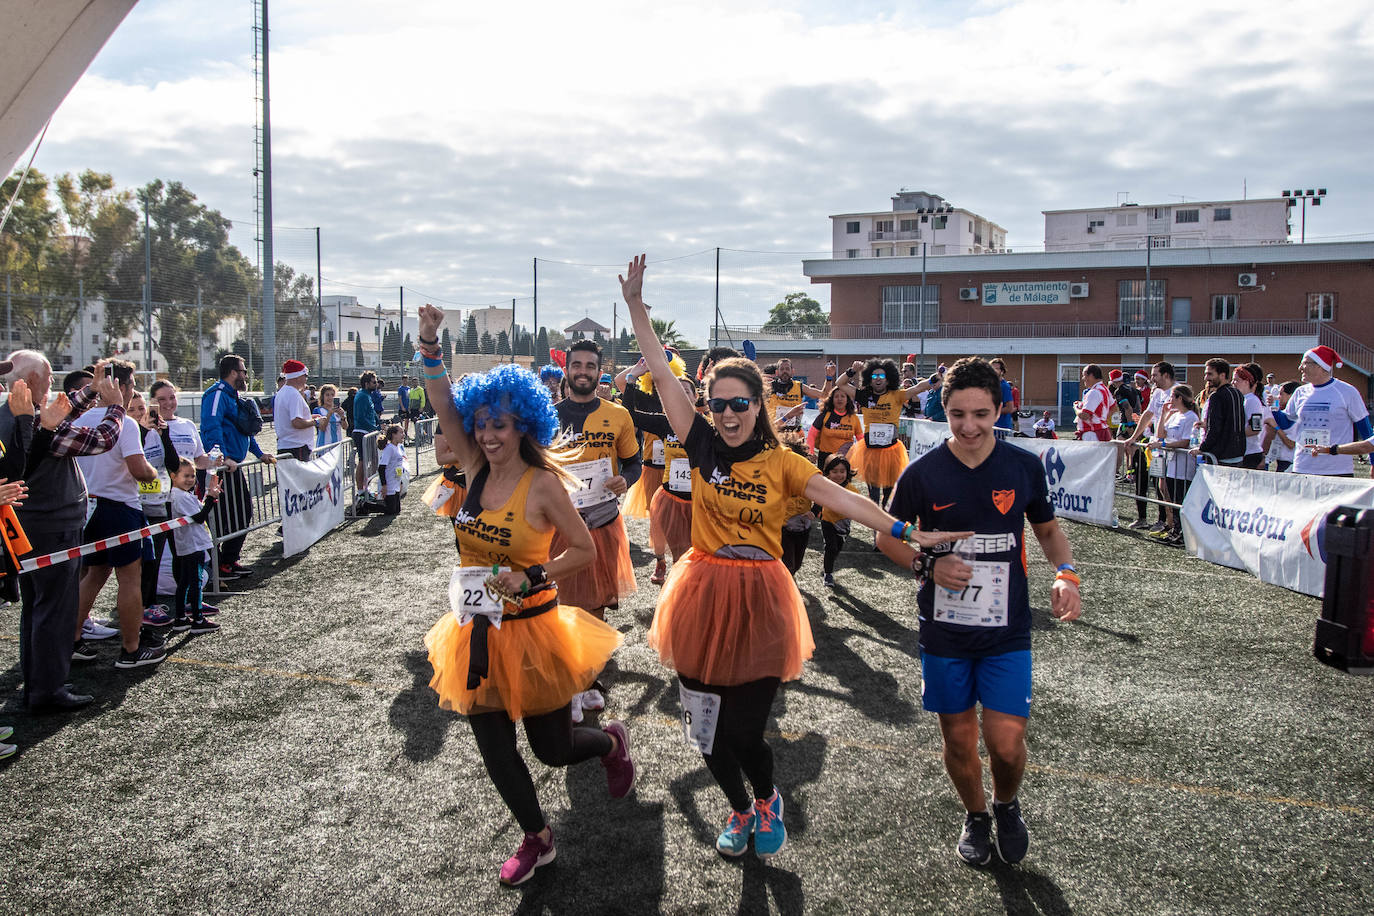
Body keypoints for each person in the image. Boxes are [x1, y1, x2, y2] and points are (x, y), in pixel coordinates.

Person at [621, 254, 964, 861]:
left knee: (744, 731)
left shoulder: (783, 463)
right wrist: (636, 310)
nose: (727, 414)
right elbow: (661, 374)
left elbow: (843, 499)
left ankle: (766, 796)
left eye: (739, 403)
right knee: (704, 731)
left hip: (758, 596)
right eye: (717, 403)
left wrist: (906, 529)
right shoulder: (700, 443)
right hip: (700, 592)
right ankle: (738, 808)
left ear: (759, 404)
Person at [415, 306, 635, 887]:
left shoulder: (542, 485)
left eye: (500, 425)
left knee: (552, 751)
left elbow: (584, 552)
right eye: (481, 423)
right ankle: (537, 837)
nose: (487, 435)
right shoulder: (470, 465)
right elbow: (441, 401)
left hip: (533, 627)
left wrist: (531, 577)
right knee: (492, 744)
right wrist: (430, 344)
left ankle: (610, 742)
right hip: (474, 627)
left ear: (523, 428)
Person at [878, 356, 1082, 867]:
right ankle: (975, 815)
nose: (969, 426)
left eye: (982, 414)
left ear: (1000, 411)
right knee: (960, 738)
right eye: (957, 415)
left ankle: (1006, 804)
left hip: (1007, 630)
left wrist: (1066, 573)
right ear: (942, 411)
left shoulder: (1023, 466)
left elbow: (1049, 531)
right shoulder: (922, 474)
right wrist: (927, 563)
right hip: (944, 632)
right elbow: (886, 537)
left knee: (1007, 743)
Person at [0, 352, 103, 712]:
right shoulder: (24, 420)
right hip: (51, 526)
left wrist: (90, 391)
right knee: (54, 611)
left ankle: (38, 684)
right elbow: (97, 438)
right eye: (47, 378)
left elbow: (57, 414)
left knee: (38, 608)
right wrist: (117, 408)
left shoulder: (16, 415)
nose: (52, 386)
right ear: (30, 384)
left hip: (30, 527)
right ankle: (47, 690)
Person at [72, 360, 170, 669]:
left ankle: (71, 639)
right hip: (119, 508)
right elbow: (140, 470)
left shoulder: (81, 417)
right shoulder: (124, 423)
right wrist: (155, 472)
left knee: (94, 575)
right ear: (123, 388)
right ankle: (131, 648)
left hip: (88, 507)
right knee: (129, 578)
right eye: (131, 386)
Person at [619, 358, 694, 585]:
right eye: (677, 391)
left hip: (701, 501)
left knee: (697, 553)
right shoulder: (664, 423)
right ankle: (674, 585)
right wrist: (632, 379)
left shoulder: (708, 426)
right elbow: (629, 414)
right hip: (671, 498)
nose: (681, 396)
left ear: (696, 397)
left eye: (687, 391)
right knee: (679, 554)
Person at [201, 354, 274, 582]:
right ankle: (219, 565)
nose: (246, 375)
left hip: (234, 466)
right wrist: (222, 459)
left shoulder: (234, 397)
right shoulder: (216, 395)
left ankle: (228, 560)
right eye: (243, 371)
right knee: (224, 518)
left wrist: (260, 454)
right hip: (223, 469)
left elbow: (244, 432)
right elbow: (211, 428)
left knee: (243, 513)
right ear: (233, 373)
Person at [1271, 346, 1371, 477]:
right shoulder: (1300, 392)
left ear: (1320, 366)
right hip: (1302, 467)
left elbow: (1366, 431)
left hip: (1337, 471)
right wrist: (1274, 408)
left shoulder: (1347, 392)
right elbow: (1287, 424)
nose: (1300, 367)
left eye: (1304, 363)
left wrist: (1373, 463)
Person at [1117, 362, 1176, 532]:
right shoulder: (1157, 393)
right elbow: (1148, 414)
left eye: (1155, 375)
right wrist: (1134, 437)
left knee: (1164, 487)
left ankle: (1167, 522)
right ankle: (1143, 518)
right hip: (1151, 445)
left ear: (1166, 375)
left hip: (1167, 447)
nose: (1152, 379)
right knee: (1145, 480)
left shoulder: (1177, 392)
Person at [168, 457, 221, 634]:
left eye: (192, 476)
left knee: (184, 583)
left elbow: (199, 511)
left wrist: (210, 496)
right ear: (173, 476)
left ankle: (181, 617)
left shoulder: (182, 495)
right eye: (186, 476)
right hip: (192, 545)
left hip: (189, 544)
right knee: (194, 583)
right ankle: (198, 619)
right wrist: (211, 499)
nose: (190, 479)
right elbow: (199, 517)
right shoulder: (179, 496)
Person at [1152, 385, 1200, 546]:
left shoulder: (1191, 417)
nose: (1169, 400)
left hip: (1183, 467)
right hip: (1171, 464)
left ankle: (1183, 534)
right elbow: (1160, 434)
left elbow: (1186, 441)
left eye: (1172, 397)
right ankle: (1175, 530)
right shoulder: (1174, 415)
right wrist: (1164, 414)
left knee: (1181, 500)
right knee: (1173, 499)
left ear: (1180, 398)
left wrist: (1163, 444)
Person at [814, 455, 859, 588]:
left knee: (836, 549)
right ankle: (828, 574)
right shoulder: (825, 486)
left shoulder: (852, 490)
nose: (838, 475)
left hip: (843, 524)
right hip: (827, 520)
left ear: (847, 472)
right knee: (831, 547)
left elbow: (859, 505)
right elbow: (818, 499)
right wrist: (813, 511)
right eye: (834, 471)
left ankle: (828, 562)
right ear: (828, 472)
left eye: (842, 471)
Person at [1193, 359, 1245, 468]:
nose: (1206, 378)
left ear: (1222, 375)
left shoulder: (1217, 396)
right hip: (1238, 453)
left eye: (1210, 374)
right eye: (1206, 374)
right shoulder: (1237, 393)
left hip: (1221, 457)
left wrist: (1202, 448)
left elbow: (1215, 428)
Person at [274, 359, 325, 461]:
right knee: (301, 477)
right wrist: (316, 422)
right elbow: (296, 422)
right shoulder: (293, 394)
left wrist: (309, 418)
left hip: (286, 446)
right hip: (297, 447)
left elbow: (290, 419)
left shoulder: (281, 392)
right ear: (297, 377)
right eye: (305, 376)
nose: (306, 379)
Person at [764, 358, 830, 433]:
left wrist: (829, 378)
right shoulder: (769, 386)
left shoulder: (799, 386)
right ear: (777, 372)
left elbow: (824, 395)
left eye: (787, 369)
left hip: (795, 432)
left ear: (792, 372)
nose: (784, 371)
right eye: (781, 369)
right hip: (776, 431)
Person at [807, 386, 863, 471]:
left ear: (847, 399)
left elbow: (861, 439)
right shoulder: (824, 415)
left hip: (845, 459)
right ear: (832, 400)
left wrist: (863, 455)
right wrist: (810, 452)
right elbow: (811, 434)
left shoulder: (854, 418)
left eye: (842, 396)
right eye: (836, 396)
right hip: (825, 458)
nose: (839, 399)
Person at [352, 371, 382, 503]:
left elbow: (371, 414)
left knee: (373, 461)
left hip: (368, 432)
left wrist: (379, 425)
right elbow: (360, 418)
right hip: (362, 433)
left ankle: (366, 488)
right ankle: (360, 491)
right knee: (363, 461)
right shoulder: (362, 396)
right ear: (366, 383)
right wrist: (374, 428)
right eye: (374, 382)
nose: (376, 384)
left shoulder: (367, 395)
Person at [1233, 366, 1267, 469]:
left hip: (1250, 454)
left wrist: (1233, 436)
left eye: (1236, 380)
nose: (1233, 383)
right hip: (1241, 453)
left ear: (1246, 382)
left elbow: (1255, 428)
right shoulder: (1241, 400)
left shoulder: (1252, 400)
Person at [1260, 381, 1299, 471]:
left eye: (1281, 394)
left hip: (1290, 463)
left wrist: (1276, 427)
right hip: (1277, 460)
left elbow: (1291, 444)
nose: (1278, 397)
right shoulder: (1284, 413)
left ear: (1291, 396)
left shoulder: (1296, 417)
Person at [1073, 365, 1111, 441]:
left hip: (1092, 433)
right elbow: (1113, 407)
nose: (1083, 378)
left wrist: (1076, 408)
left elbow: (1084, 415)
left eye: (1084, 375)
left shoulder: (1094, 392)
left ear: (1091, 375)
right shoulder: (1104, 389)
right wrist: (1101, 420)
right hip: (1100, 431)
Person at [375, 424, 407, 516]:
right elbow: (381, 468)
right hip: (389, 485)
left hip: (395, 484)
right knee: (391, 511)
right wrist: (384, 485)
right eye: (401, 432)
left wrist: (400, 482)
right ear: (393, 435)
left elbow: (397, 466)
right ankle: (365, 505)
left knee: (397, 510)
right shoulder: (389, 449)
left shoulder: (397, 447)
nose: (403, 435)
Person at [989, 358, 1018, 433]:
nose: (993, 371)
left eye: (996, 369)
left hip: (1001, 429)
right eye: (992, 368)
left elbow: (1009, 408)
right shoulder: (989, 385)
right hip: (990, 427)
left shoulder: (1004, 386)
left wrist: (992, 411)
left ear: (1002, 371)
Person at [313, 384, 346, 448]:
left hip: (337, 445)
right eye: (327, 395)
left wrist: (342, 416)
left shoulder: (338, 411)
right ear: (322, 397)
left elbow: (345, 427)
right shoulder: (318, 410)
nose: (330, 397)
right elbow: (322, 428)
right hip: (324, 446)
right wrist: (329, 414)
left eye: (332, 395)